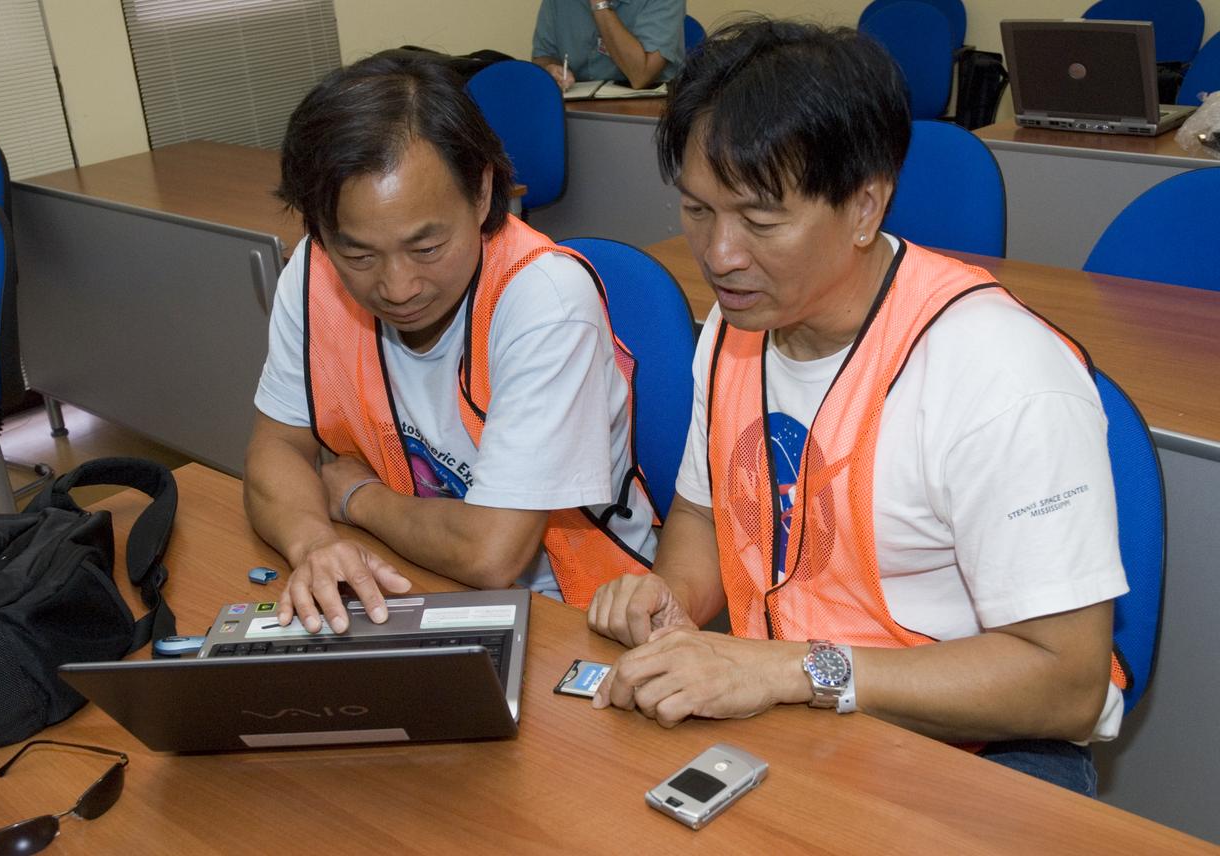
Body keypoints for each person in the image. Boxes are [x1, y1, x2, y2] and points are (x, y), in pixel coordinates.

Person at [586, 19, 1129, 796]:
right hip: (792, 716)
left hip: (975, 753)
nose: (719, 254)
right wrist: (666, 602)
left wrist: (793, 669)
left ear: (866, 205)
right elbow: (706, 517)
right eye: (698, 211)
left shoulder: (1000, 373)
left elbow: (1066, 682)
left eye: (761, 219)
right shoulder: (738, 325)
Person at [245, 55, 657, 636]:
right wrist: (314, 544)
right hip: (412, 574)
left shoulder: (545, 299)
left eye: (427, 247)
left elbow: (492, 554)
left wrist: (357, 498)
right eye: (359, 254)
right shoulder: (313, 274)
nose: (398, 286)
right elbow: (276, 450)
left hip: (574, 609)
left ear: (484, 191)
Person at [532, 0, 685, 91]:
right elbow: (543, 57)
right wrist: (551, 70)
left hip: (647, 116)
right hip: (576, 114)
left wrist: (599, 4)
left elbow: (641, 75)